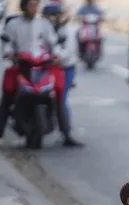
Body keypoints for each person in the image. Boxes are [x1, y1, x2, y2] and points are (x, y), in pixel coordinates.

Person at [0, 0, 81, 147]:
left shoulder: (44, 25)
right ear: (24, 6)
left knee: (59, 91)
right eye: (32, 5)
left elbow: (53, 43)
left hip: (42, 66)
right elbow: (7, 44)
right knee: (8, 94)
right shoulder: (13, 24)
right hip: (22, 66)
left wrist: (57, 56)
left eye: (36, 5)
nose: (35, 8)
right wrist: (9, 54)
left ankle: (66, 133)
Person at [42, 2, 82, 146]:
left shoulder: (68, 32)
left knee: (61, 99)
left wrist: (56, 58)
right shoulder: (43, 30)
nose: (52, 19)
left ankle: (66, 133)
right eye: (49, 16)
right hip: (44, 67)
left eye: (55, 15)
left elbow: (68, 51)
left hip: (65, 68)